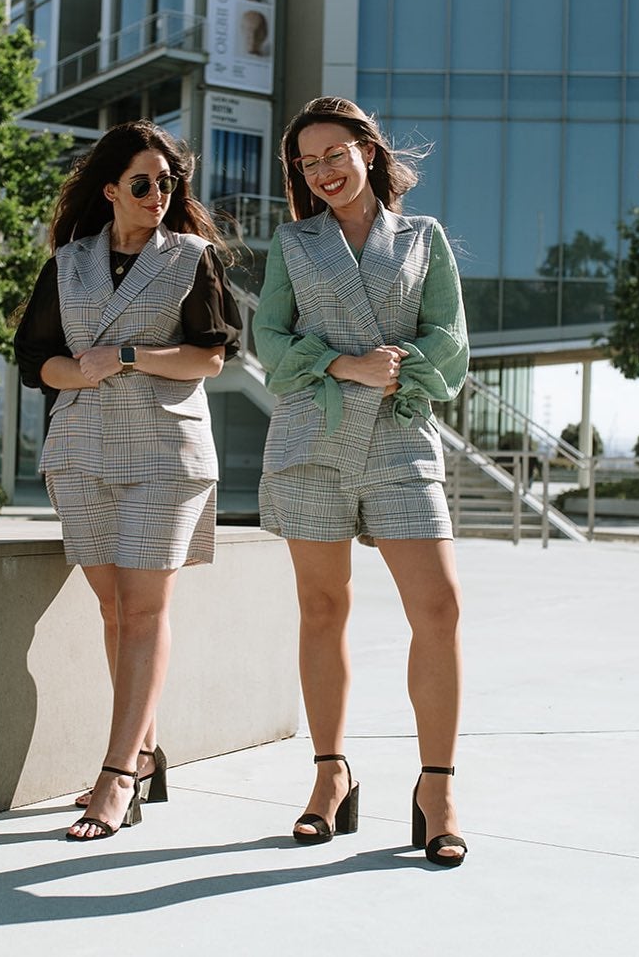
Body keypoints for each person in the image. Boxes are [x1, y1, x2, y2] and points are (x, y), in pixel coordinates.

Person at [254, 96, 470, 866]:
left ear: (368, 152)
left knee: (438, 608)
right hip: (313, 435)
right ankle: (329, 775)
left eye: (334, 155)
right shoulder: (293, 242)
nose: (322, 173)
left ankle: (436, 787)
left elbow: (448, 337)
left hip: (400, 432)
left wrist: (398, 369)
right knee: (322, 607)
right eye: (307, 163)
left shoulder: (423, 237)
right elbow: (269, 342)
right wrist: (344, 363)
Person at [14, 121, 241, 841]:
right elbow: (36, 358)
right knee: (113, 610)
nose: (157, 194)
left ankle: (116, 775)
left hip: (165, 452)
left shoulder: (192, 259)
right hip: (79, 449)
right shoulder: (68, 262)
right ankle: (144, 751)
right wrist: (76, 370)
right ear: (111, 188)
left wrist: (130, 353)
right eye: (142, 183)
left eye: (168, 184)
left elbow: (210, 358)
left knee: (144, 611)